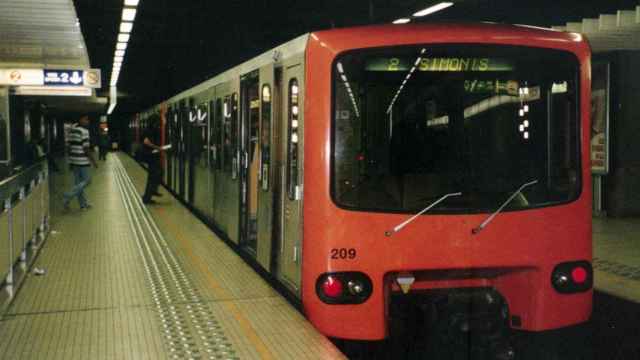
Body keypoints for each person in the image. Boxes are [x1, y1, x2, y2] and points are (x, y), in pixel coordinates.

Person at [63, 115, 98, 210]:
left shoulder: (72, 131)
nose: (88, 121)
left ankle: (83, 205)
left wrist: (70, 161)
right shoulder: (84, 131)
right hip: (82, 161)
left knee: (78, 183)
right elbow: (86, 148)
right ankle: (68, 195)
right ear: (80, 119)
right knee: (87, 180)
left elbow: (69, 147)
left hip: (74, 161)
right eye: (86, 119)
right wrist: (93, 161)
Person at [141, 115, 163, 204]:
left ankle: (151, 192)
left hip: (151, 156)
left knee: (156, 174)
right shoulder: (149, 130)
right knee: (154, 175)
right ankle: (147, 197)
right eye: (158, 121)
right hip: (151, 156)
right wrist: (158, 148)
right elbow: (146, 142)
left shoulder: (150, 129)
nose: (159, 123)